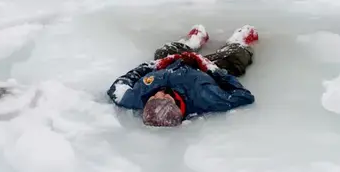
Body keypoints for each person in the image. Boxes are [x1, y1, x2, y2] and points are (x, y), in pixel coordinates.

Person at [107, 24, 259, 127]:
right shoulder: (205, 97)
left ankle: (192, 42)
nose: (159, 92)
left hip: (171, 63)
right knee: (234, 59)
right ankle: (238, 43)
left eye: (153, 98)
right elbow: (243, 96)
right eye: (165, 98)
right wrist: (212, 69)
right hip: (205, 68)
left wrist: (155, 65)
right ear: (178, 106)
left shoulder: (136, 97)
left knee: (163, 51)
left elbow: (117, 88)